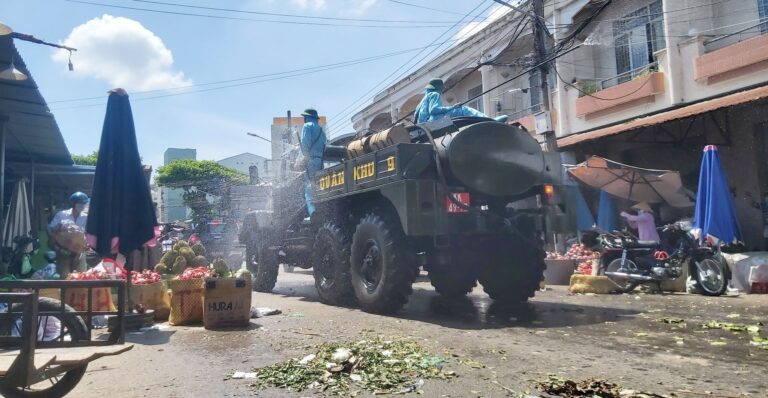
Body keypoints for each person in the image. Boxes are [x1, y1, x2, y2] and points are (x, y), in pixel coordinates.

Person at [48, 192, 89, 277]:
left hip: (79, 252)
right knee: (64, 278)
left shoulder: (86, 217)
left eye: (84, 204)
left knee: (81, 277)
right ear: (73, 204)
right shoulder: (61, 215)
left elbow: (88, 234)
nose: (82, 206)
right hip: (63, 252)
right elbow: (50, 229)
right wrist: (60, 227)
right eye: (80, 203)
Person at [413, 78, 488, 124]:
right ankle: (485, 118)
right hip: (432, 121)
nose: (442, 91)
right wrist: (453, 107)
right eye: (441, 89)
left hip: (423, 125)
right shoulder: (435, 94)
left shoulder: (422, 101)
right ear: (439, 88)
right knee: (463, 109)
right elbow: (433, 110)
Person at [300, 108, 327, 217]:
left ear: (307, 117)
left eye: (304, 117)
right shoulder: (321, 130)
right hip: (321, 162)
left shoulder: (307, 126)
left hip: (311, 162)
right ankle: (321, 209)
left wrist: (301, 161)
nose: (304, 119)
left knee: (309, 188)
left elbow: (305, 146)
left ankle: (312, 213)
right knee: (319, 187)